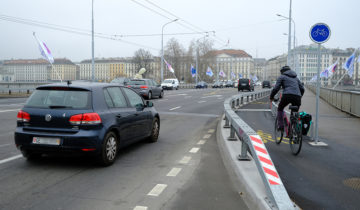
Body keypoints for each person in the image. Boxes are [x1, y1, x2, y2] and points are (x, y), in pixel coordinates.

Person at [270, 66, 305, 130]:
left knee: (280, 108)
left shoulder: (282, 77)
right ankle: (292, 131)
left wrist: (271, 97)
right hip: (297, 97)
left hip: (287, 95)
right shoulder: (296, 78)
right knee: (294, 113)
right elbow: (302, 89)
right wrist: (300, 96)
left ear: (282, 72)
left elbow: (276, 88)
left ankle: (280, 126)